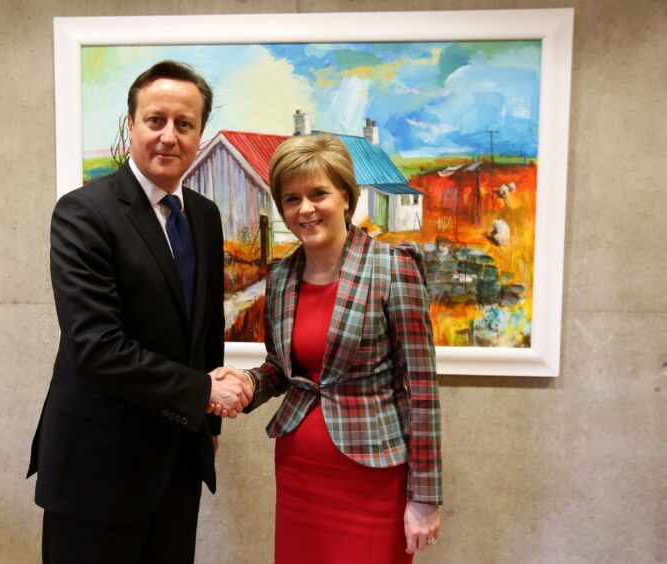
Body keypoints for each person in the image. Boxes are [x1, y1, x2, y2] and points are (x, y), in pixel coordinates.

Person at [27, 60, 252, 564]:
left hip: (176, 462)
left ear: (199, 135)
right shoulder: (83, 213)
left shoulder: (205, 216)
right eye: (155, 120)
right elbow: (95, 347)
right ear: (131, 126)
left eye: (184, 124)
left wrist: (209, 424)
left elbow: (206, 330)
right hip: (97, 467)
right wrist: (202, 393)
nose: (169, 136)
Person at [212, 134, 442, 563]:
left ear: (346, 197)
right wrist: (246, 381)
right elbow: (282, 368)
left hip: (374, 479)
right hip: (300, 471)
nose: (305, 209)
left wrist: (425, 497)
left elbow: (423, 392)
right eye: (291, 198)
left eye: (319, 194)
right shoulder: (282, 276)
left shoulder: (394, 268)